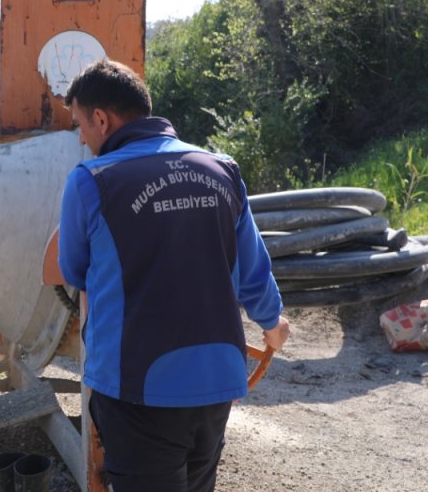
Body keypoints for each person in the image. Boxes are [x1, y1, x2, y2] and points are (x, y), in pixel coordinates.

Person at [57, 59, 290, 492]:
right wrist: (273, 323)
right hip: (216, 382)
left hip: (137, 389)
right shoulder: (223, 169)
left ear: (102, 119)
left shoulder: (91, 181)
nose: (82, 138)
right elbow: (253, 271)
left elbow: (74, 270)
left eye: (80, 125)